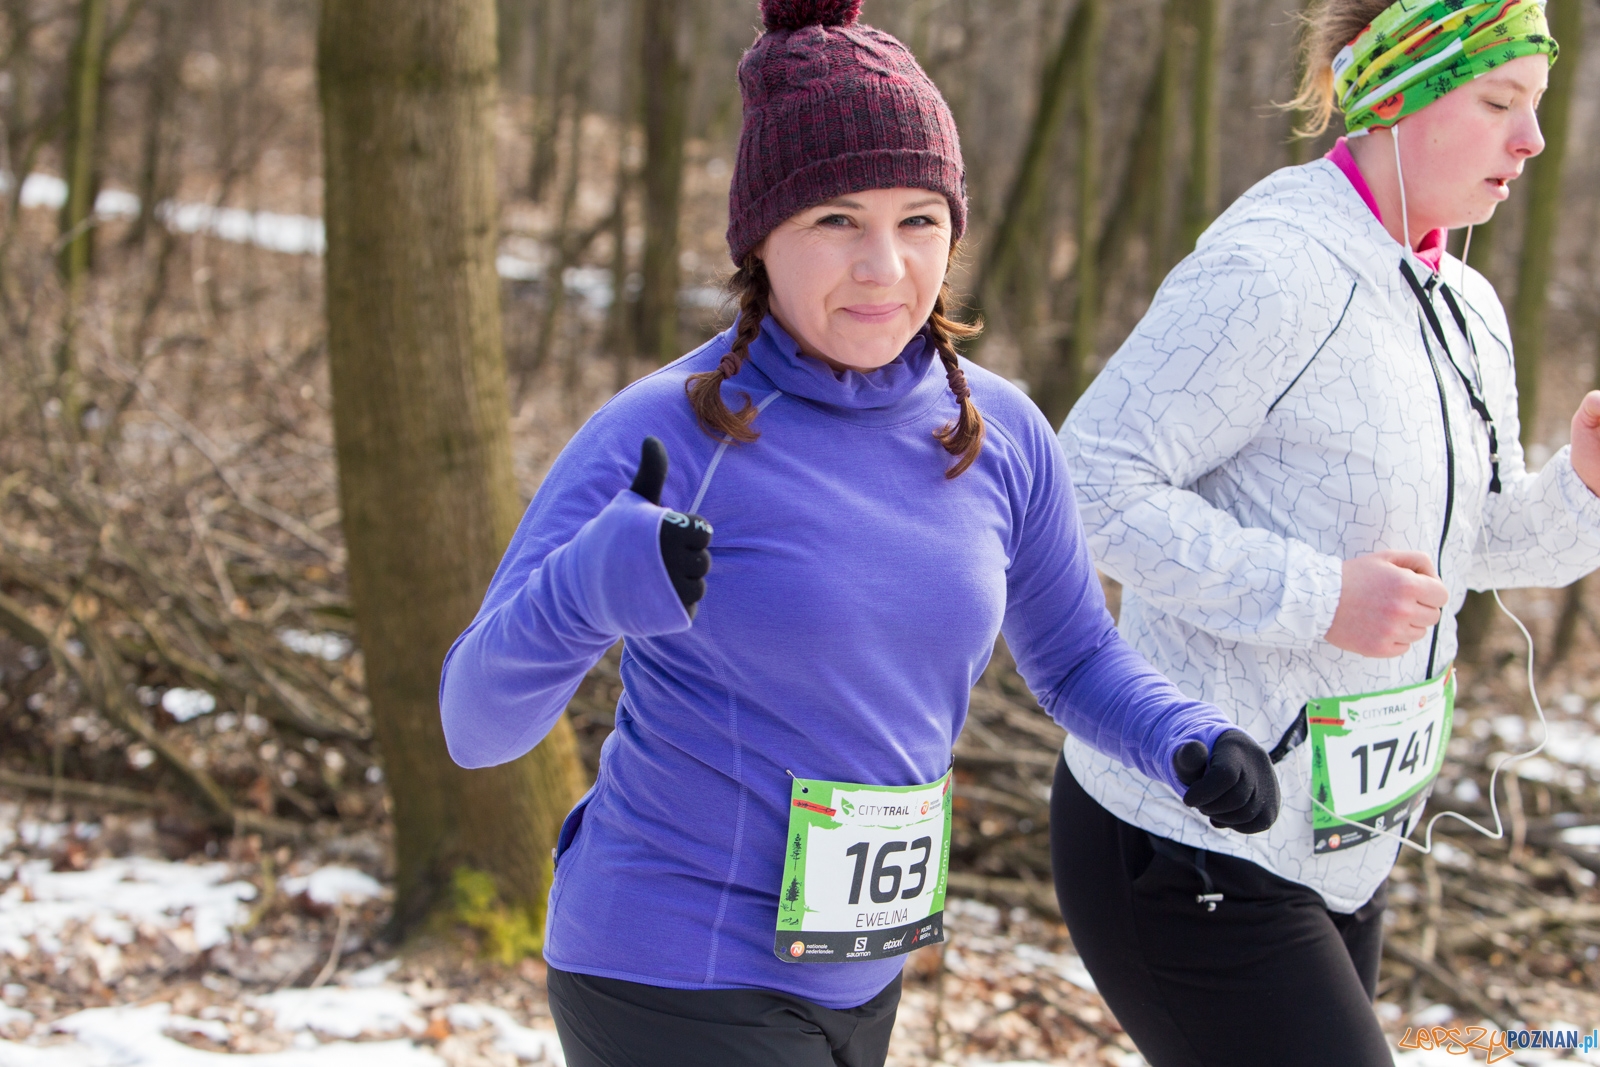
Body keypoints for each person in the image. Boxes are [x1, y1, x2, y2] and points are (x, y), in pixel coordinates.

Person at [439, 2, 1279, 1064]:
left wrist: (1184, 738)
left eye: (918, 219)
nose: (883, 266)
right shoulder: (671, 428)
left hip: (860, 967)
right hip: (669, 961)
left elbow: (1071, 659)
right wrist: (585, 589)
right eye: (836, 220)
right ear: (762, 238)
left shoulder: (1000, 429)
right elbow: (475, 723)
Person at [1055, 0, 1600, 1063]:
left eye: (1533, 108)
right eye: (1499, 103)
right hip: (1191, 829)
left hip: (1341, 839)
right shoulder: (1275, 267)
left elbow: (1472, 545)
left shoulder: (1463, 301)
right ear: (1393, 96)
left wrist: (1580, 484)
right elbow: (1088, 483)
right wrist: (1319, 595)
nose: (1531, 141)